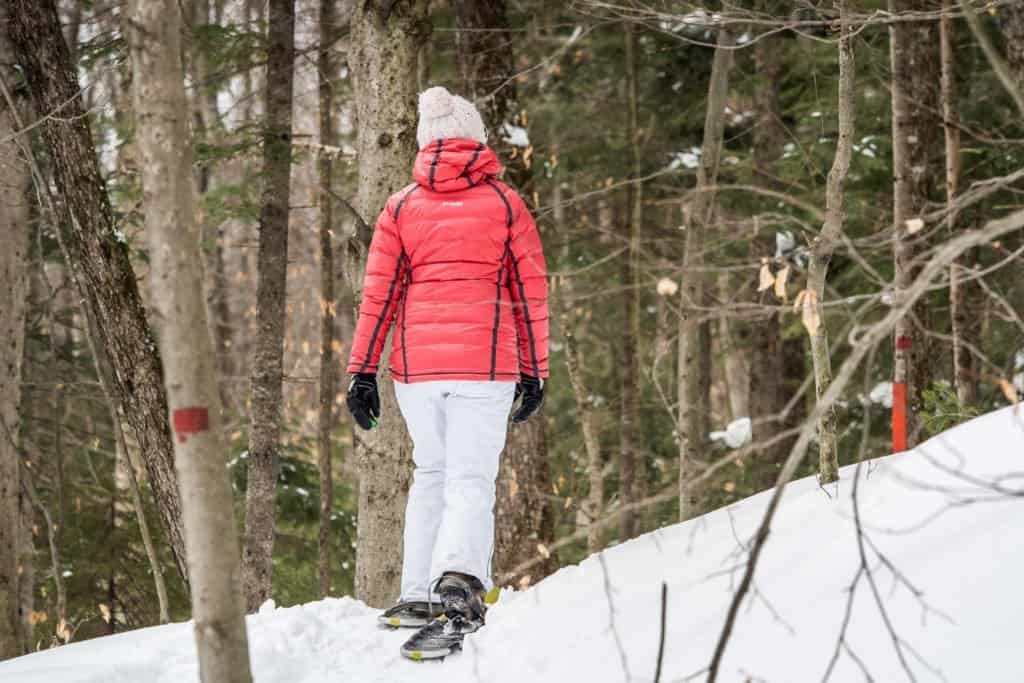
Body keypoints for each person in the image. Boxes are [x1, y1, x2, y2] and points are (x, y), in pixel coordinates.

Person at [345, 85, 549, 659]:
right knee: (469, 478)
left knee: (431, 470)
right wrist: (535, 371)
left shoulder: (401, 207)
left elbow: (378, 296)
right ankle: (457, 587)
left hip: (418, 370)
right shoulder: (506, 204)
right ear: (476, 140)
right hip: (485, 366)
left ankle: (417, 591)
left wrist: (362, 371)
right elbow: (529, 291)